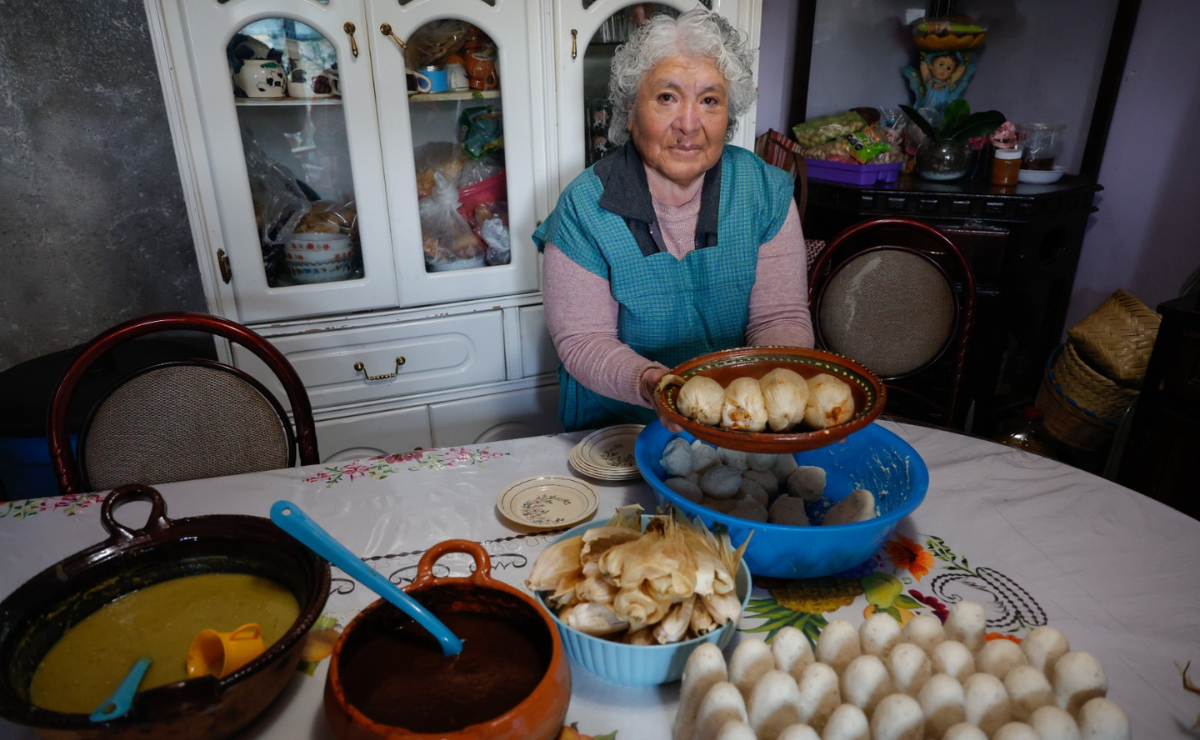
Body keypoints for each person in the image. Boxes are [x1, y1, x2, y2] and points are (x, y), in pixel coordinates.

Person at [533, 8, 813, 432]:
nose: (689, 124)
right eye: (667, 97)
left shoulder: (764, 192)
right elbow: (585, 342)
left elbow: (780, 319)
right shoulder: (584, 207)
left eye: (709, 100)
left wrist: (759, 402)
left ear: (728, 115)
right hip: (618, 424)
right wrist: (654, 385)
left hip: (738, 418)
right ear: (629, 111)